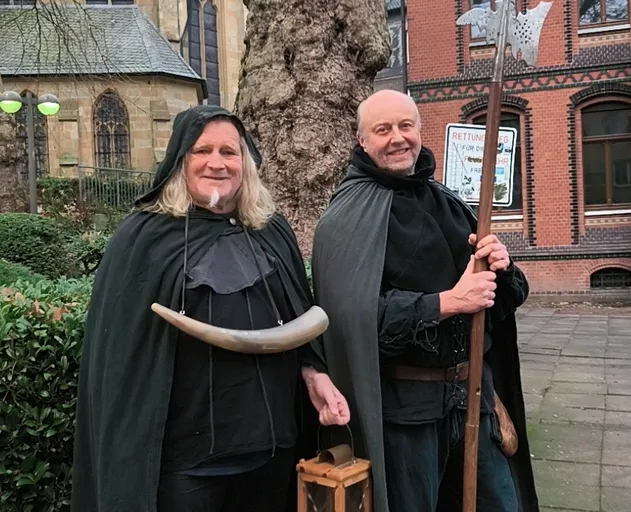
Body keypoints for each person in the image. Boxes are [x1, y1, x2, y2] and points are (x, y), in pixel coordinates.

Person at [71, 105, 350, 512]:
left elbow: (296, 317)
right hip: (187, 463)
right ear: (179, 160)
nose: (216, 163)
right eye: (202, 151)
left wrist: (313, 372)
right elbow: (121, 359)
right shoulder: (143, 238)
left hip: (271, 448)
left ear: (246, 163)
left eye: (229, 152)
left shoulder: (271, 230)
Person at [310, 89, 538, 512]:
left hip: (473, 399)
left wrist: (501, 268)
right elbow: (356, 320)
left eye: (405, 125)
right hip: (405, 418)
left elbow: (505, 300)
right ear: (362, 141)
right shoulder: (345, 220)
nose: (397, 138)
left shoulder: (447, 202)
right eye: (383, 129)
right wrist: (448, 302)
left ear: (419, 129)